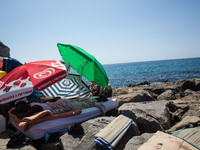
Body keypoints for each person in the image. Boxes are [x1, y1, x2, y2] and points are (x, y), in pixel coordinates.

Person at [11, 97, 106, 120]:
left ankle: (99, 99)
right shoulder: (32, 103)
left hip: (63, 105)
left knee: (86, 105)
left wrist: (14, 112)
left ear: (24, 105)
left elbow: (22, 116)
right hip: (59, 103)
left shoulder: (35, 107)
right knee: (80, 102)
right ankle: (96, 98)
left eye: (20, 108)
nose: (21, 110)